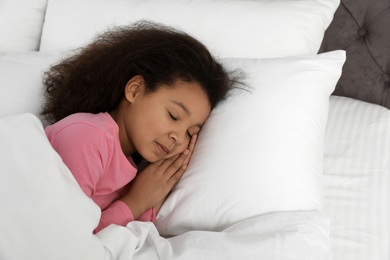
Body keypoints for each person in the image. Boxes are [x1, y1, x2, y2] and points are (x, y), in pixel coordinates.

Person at [42, 21, 240, 233]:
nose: (179, 138)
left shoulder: (133, 168)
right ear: (135, 90)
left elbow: (130, 228)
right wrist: (136, 201)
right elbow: (65, 236)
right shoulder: (87, 136)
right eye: (174, 116)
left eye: (190, 133)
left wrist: (156, 191)